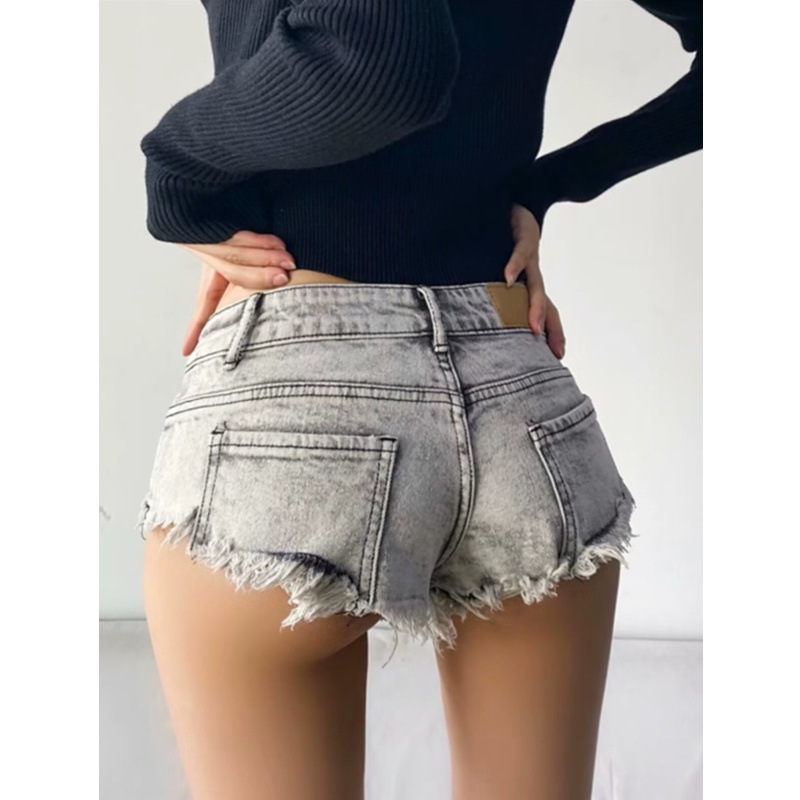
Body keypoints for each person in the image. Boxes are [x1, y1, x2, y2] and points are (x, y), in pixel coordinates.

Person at [136, 1, 701, 798]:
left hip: (296, 398)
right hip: (520, 395)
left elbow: (382, 58)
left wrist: (176, 171)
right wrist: (545, 187)